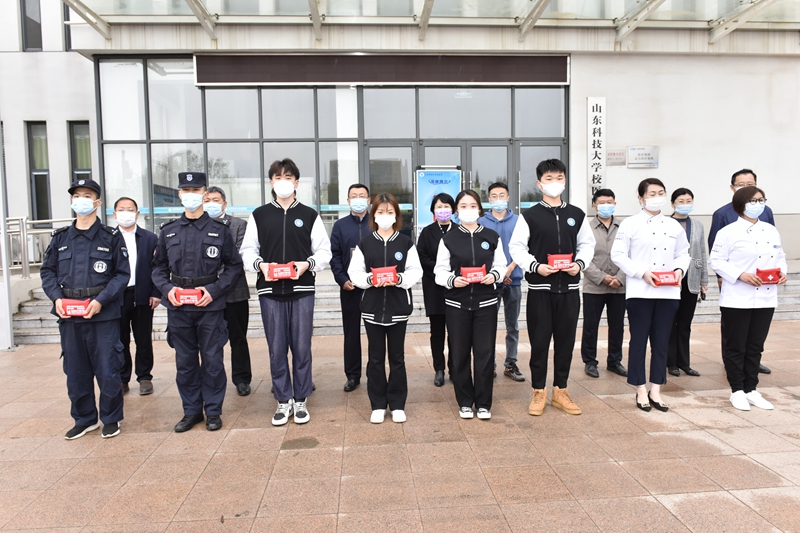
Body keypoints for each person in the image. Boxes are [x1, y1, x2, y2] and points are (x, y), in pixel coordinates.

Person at [240, 158, 332, 426]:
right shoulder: (259, 215)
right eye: (278, 177)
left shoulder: (309, 215)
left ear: (296, 182)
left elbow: (324, 251)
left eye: (288, 177)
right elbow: (248, 250)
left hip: (302, 290)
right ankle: (283, 400)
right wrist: (260, 265)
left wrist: (307, 264)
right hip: (270, 290)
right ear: (271, 182)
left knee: (302, 347)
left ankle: (300, 399)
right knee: (276, 348)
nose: (283, 182)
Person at [152, 172, 244, 433]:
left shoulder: (219, 231)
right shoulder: (168, 231)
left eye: (196, 190)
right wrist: (167, 289)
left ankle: (213, 411)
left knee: (213, 360)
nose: (191, 195)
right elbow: (158, 268)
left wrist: (214, 290)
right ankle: (191, 411)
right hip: (178, 306)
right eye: (186, 190)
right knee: (185, 362)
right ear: (179, 194)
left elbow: (233, 266)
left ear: (204, 194)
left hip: (209, 306)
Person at [40, 178, 130, 439]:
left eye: (87, 196)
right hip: (69, 315)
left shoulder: (111, 237)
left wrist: (101, 300)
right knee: (75, 372)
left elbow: (121, 275)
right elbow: (47, 272)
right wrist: (56, 298)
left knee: (108, 370)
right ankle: (84, 419)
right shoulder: (60, 238)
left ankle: (111, 418)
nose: (81, 200)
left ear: (97, 202)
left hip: (102, 314)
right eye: (77, 195)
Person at [509, 159, 595, 417]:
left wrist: (579, 264)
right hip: (541, 290)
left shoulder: (577, 215)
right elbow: (516, 247)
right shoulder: (530, 216)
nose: (554, 183)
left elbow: (587, 245)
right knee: (539, 343)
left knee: (566, 343)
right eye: (549, 178)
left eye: (559, 178)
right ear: (539, 184)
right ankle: (538, 390)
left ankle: (561, 390)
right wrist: (535, 266)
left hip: (569, 290)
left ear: (565, 181)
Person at [610, 178, 690, 413]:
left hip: (669, 292)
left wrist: (679, 270)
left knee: (662, 341)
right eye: (652, 193)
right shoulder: (630, 224)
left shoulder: (673, 226)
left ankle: (656, 388)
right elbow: (618, 254)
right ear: (641, 198)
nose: (657, 197)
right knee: (638, 341)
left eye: (661, 193)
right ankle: (640, 388)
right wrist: (641, 273)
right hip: (640, 291)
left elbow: (683, 253)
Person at [709, 186, 787, 411]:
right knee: (736, 346)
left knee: (755, 346)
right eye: (753, 201)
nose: (758, 204)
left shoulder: (770, 230)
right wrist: (740, 275)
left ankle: (751, 388)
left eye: (761, 200)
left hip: (766, 297)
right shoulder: (728, 232)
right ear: (741, 204)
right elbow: (716, 261)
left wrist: (782, 271)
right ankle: (737, 390)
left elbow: (780, 256)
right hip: (737, 298)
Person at [348, 193, 423, 423]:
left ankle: (398, 404)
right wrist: (370, 280)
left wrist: (398, 279)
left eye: (390, 212)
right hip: (372, 309)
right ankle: (378, 404)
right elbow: (354, 272)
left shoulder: (405, 242)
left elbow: (415, 271)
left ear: (396, 216)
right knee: (376, 358)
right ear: (374, 215)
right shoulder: (365, 243)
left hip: (398, 308)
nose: (385, 216)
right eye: (381, 212)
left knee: (397, 358)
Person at [435, 190, 507, 420]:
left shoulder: (492, 236)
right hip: (457, 304)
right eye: (463, 206)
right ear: (457, 210)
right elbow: (439, 270)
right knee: (459, 354)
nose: (468, 210)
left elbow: (501, 265)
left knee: (485, 353)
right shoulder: (449, 239)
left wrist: (494, 275)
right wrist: (452, 280)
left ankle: (484, 403)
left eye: (473, 205)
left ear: (480, 209)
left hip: (486, 303)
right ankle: (465, 401)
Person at [708, 169, 775, 375]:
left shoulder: (766, 211)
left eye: (750, 184)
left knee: (756, 332)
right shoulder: (723, 214)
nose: (747, 188)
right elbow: (715, 250)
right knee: (734, 327)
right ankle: (733, 362)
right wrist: (724, 276)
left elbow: (773, 246)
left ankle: (752, 362)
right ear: (732, 187)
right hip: (735, 279)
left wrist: (776, 271)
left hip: (762, 282)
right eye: (741, 184)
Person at [205, 186, 252, 396]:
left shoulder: (239, 225)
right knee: (209, 341)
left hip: (235, 293)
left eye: (215, 200)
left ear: (224, 204)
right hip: (206, 294)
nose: (211, 204)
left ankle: (242, 379)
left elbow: (239, 257)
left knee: (238, 338)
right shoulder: (197, 226)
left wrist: (215, 277)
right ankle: (212, 379)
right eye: (207, 200)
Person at [113, 197, 160, 396]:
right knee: (119, 339)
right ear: (115, 214)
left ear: (137, 213)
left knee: (143, 339)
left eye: (130, 209)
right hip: (117, 297)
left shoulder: (150, 238)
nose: (126, 213)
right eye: (122, 209)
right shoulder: (109, 238)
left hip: (143, 295)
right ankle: (122, 378)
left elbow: (158, 267)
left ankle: (144, 377)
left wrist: (156, 292)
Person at [479, 182, 525, 382]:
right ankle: (489, 365)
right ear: (489, 199)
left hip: (513, 280)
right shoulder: (481, 222)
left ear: (508, 198)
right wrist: (497, 273)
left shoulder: (519, 221)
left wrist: (510, 268)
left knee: (512, 325)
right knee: (488, 325)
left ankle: (511, 363)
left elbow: (525, 247)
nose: (498, 199)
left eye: (502, 195)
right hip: (489, 282)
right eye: (494, 196)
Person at [581, 189, 628, 379]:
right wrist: (602, 278)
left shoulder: (625, 227)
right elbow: (582, 257)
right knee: (590, 326)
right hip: (594, 286)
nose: (606, 205)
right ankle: (590, 362)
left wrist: (620, 277)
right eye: (602, 202)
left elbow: (632, 254)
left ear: (615, 204)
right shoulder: (586, 228)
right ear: (594, 206)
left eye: (609, 202)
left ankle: (614, 361)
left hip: (620, 286)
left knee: (617, 326)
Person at [330, 184, 372, 392]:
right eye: (354, 196)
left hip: (374, 287)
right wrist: (341, 279)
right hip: (350, 287)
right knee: (351, 333)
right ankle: (353, 375)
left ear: (369, 200)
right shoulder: (340, 226)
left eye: (362, 196)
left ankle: (374, 373)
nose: (358, 199)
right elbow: (335, 255)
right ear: (347, 201)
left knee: (375, 333)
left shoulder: (376, 223)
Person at [667, 188, 707, 377]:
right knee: (670, 323)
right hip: (670, 279)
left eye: (688, 200)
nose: (685, 204)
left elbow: (702, 252)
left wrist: (704, 279)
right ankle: (670, 362)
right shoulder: (665, 223)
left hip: (692, 279)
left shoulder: (697, 225)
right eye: (681, 201)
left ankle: (684, 362)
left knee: (685, 323)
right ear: (673, 203)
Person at [416, 193, 456, 387]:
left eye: (446, 206)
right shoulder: (427, 232)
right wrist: (441, 270)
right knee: (437, 331)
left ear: (453, 209)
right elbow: (421, 257)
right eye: (439, 206)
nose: (443, 210)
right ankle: (439, 369)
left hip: (456, 287)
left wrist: (452, 273)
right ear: (433, 210)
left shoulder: (459, 230)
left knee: (456, 332)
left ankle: (455, 367)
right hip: (434, 288)